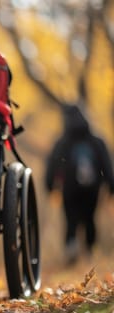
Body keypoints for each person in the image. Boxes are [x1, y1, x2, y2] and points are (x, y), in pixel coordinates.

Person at [45, 104, 114, 265]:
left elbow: (53, 165)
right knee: (90, 218)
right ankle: (89, 251)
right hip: (92, 189)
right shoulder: (96, 141)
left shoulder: (63, 142)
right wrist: (110, 185)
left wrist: (51, 186)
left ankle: (71, 249)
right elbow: (106, 164)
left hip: (69, 189)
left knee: (70, 220)